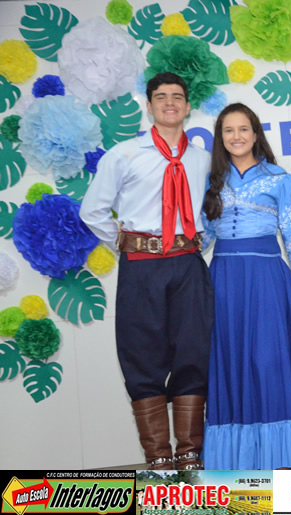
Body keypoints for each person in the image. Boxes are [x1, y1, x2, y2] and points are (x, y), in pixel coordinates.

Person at [80, 72, 213, 470]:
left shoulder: (203, 158)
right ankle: (158, 459)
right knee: (142, 356)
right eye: (161, 96)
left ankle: (189, 455)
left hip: (188, 265)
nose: (170, 102)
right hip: (141, 267)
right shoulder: (123, 154)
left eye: (177, 96)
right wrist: (128, 244)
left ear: (188, 106)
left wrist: (200, 238)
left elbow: (214, 209)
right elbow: (93, 211)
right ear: (150, 105)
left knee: (194, 352)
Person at [201, 103, 291, 469]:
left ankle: (282, 453)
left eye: (244, 129)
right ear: (220, 137)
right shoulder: (211, 181)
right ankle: (240, 456)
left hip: (267, 283)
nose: (237, 136)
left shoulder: (279, 178)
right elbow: (201, 237)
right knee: (230, 363)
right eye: (229, 130)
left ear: (256, 133)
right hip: (224, 283)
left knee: (268, 361)